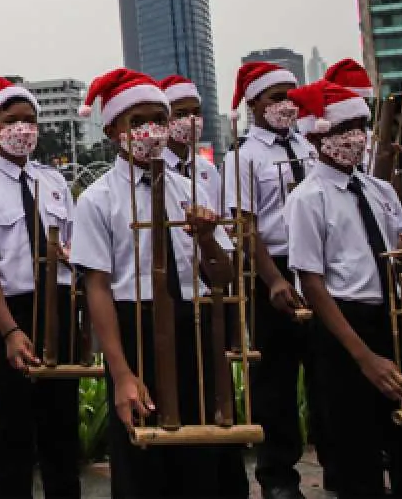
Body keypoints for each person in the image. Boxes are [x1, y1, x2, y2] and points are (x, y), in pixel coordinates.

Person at [71, 68, 236, 498]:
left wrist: (206, 238)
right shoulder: (98, 200)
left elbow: (223, 276)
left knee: (200, 461)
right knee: (142, 464)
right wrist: (121, 372)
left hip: (192, 324)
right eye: (137, 121)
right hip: (135, 325)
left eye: (158, 120)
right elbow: (98, 288)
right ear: (113, 130)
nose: (151, 131)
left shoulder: (192, 188)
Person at [286, 80, 402, 498]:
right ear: (317, 135)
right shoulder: (309, 198)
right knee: (354, 457)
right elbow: (312, 282)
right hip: (343, 325)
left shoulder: (380, 192)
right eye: (344, 128)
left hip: (391, 319)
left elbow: (399, 250)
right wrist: (364, 357)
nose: (356, 137)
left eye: (361, 125)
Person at [0, 81, 80, 499]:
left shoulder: (55, 180)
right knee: (12, 423)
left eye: (29, 120)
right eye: (12, 121)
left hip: (59, 304)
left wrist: (69, 257)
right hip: (9, 308)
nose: (23, 129)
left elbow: (75, 247)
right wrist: (9, 330)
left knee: (61, 422)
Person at [220, 61, 322, 499]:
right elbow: (244, 224)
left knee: (325, 370)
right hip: (273, 270)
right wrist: (274, 279)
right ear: (254, 103)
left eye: (290, 96)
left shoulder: (313, 146)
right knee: (275, 379)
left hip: (318, 267)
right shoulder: (244, 158)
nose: (285, 105)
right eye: (275, 97)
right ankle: (278, 477)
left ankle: (339, 462)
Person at [160, 74, 250, 498]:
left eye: (196, 112)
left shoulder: (208, 172)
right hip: (166, 298)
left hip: (209, 290)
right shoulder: (158, 175)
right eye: (181, 114)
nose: (190, 121)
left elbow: (225, 240)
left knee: (218, 396)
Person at [158, 75, 219, 209]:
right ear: (163, 119)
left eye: (196, 113)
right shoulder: (154, 170)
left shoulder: (208, 169)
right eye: (181, 114)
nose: (192, 119)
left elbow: (223, 216)